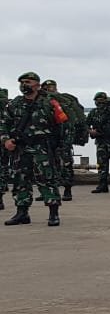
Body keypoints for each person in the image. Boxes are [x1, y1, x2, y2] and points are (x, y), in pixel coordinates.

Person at [2, 72, 67, 226]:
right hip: (21, 148)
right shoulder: (14, 104)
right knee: (20, 180)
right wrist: (5, 140)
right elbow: (4, 124)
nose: (24, 85)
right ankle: (22, 213)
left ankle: (53, 213)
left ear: (37, 85)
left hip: (42, 148)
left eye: (28, 82)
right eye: (22, 82)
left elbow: (63, 125)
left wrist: (59, 146)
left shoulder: (49, 103)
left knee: (47, 179)